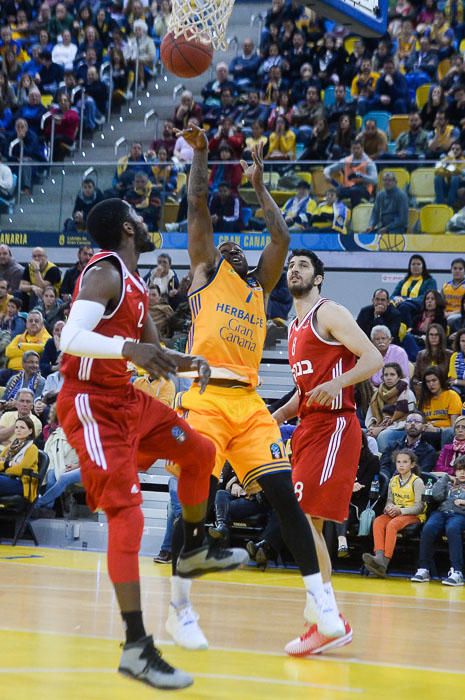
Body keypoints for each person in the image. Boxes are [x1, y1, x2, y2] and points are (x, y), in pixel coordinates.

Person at [165, 126, 344, 654]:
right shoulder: (203, 278)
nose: (229, 248)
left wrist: (260, 187)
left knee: (285, 496)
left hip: (248, 403)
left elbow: (281, 239)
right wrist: (200, 152)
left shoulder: (259, 288)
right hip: (206, 398)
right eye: (223, 247)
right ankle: (180, 609)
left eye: (235, 248)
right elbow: (198, 203)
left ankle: (324, 607)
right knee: (195, 497)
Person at [56, 197, 247, 690]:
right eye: (139, 219)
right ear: (126, 228)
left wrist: (192, 363)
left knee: (201, 453)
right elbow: (69, 338)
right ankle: (137, 647)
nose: (146, 225)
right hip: (91, 405)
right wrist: (128, 348)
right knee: (129, 515)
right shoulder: (105, 273)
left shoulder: (137, 283)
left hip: (126, 397)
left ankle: (194, 550)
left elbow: (153, 354)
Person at [272, 249, 383, 655]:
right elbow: (305, 392)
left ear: (318, 277)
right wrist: (278, 412)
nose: (294, 270)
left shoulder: (328, 312)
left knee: (305, 521)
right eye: (290, 266)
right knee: (305, 525)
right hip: (309, 426)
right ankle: (323, 621)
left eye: (302, 265)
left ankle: (329, 616)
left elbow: (373, 358)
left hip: (336, 424)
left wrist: (339, 384)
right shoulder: (295, 326)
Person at [362, 449, 425, 577]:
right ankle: (378, 557)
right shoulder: (393, 480)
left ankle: (384, 563)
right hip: (397, 512)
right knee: (379, 521)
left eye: (405, 462)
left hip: (413, 515)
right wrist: (388, 508)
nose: (401, 465)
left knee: (392, 524)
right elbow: (390, 500)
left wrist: (400, 510)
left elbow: (420, 506)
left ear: (412, 465)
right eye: (398, 462)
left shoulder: (417, 482)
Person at [411, 457, 465, 586]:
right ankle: (424, 568)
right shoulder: (449, 483)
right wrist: (445, 478)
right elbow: (436, 496)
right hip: (441, 512)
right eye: (459, 470)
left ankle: (457, 571)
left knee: (452, 529)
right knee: (428, 528)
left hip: (460, 514)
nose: (462, 473)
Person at [366, 362, 416, 451]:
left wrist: (381, 429)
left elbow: (411, 420)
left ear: (399, 377)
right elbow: (370, 417)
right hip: (379, 426)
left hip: (401, 429)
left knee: (383, 436)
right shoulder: (377, 394)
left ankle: (384, 463)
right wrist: (372, 428)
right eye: (386, 375)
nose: (389, 378)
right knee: (361, 433)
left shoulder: (407, 393)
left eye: (392, 374)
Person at [379, 410, 438, 479]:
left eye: (417, 422)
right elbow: (384, 467)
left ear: (424, 427)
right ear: (405, 425)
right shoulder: (392, 446)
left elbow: (423, 473)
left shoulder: (429, 451)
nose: (412, 424)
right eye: (409, 421)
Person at [323, 140, 377, 208]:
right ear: (351, 149)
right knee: (336, 192)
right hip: (348, 187)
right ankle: (335, 213)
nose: (356, 150)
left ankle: (354, 213)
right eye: (354, 148)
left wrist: (361, 176)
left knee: (354, 191)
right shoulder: (346, 160)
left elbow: (375, 180)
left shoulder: (369, 163)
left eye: (358, 148)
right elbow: (328, 169)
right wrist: (327, 175)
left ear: (362, 149)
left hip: (364, 190)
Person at [418, 366, 462, 448]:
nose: (431, 384)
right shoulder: (424, 399)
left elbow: (454, 427)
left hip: (445, 433)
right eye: (428, 381)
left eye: (434, 380)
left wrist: (438, 430)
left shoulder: (452, 395)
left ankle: (444, 459)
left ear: (441, 380)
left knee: (448, 432)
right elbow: (421, 421)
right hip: (428, 431)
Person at [390, 254, 438, 326]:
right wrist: (396, 299)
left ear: (423, 266)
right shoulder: (403, 281)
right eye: (413, 264)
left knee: (404, 307)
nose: (415, 266)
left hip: (419, 305)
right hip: (403, 304)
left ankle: (409, 329)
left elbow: (425, 297)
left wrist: (406, 299)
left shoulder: (430, 281)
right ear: (410, 266)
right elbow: (393, 296)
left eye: (418, 264)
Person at [0, 416, 39, 500]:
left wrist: (4, 466)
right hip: (8, 477)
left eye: (22, 427)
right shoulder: (11, 445)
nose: (18, 430)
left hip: (22, 483)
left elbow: (20, 470)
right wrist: (9, 464)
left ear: (30, 431)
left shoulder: (32, 448)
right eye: (16, 427)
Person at [411, 324, 453, 398]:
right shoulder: (421, 354)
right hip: (424, 390)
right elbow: (415, 377)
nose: (434, 337)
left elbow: (451, 378)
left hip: (444, 390)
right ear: (427, 337)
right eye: (431, 335)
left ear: (441, 337)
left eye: (437, 335)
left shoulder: (450, 355)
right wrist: (420, 384)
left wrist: (440, 386)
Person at [19, 247, 61, 312]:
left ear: (46, 257)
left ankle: (33, 315)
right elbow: (21, 286)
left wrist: (36, 269)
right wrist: (32, 287)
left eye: (39, 256)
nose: (37, 258)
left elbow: (42, 287)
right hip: (34, 295)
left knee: (36, 292)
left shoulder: (53, 269)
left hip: (52, 297)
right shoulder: (29, 267)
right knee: (18, 294)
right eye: (34, 256)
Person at [442, 257, 465, 327]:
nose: (457, 271)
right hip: (446, 314)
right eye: (455, 268)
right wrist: (443, 313)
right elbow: (440, 304)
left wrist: (452, 314)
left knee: (452, 320)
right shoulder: (445, 286)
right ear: (451, 270)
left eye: (460, 269)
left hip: (460, 315)